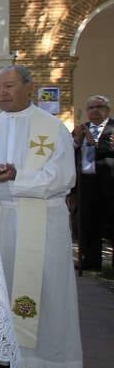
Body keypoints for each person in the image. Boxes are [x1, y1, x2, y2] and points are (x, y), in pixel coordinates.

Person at [0, 65, 82, 368]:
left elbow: (63, 177)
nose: (2, 93)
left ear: (30, 87)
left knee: (44, 286)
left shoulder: (52, 128)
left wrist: (18, 176)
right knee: (3, 284)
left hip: (42, 220)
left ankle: (42, 360)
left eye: (9, 86)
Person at [72, 94, 114, 271]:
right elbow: (70, 153)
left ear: (107, 110)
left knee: (111, 223)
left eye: (100, 107)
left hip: (109, 183)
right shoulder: (82, 128)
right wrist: (76, 141)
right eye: (91, 108)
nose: (95, 111)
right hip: (86, 184)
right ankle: (89, 261)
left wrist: (95, 144)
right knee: (88, 223)